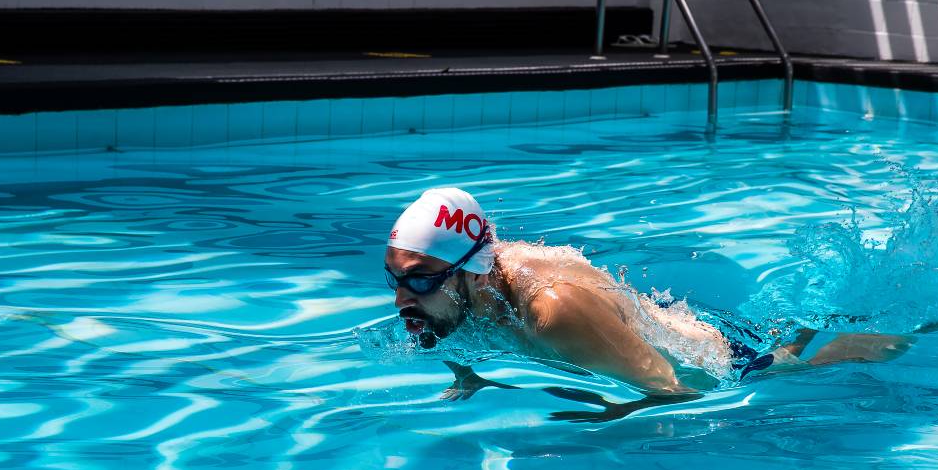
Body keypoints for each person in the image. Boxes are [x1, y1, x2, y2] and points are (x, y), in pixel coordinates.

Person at [384, 187, 910, 411]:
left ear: (468, 272)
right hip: (683, 331)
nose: (404, 298)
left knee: (807, 364)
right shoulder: (470, 283)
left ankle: (908, 322)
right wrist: (470, 380)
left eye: (421, 280)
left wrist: (610, 424)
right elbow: (461, 330)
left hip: (725, 365)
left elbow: (674, 392)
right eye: (396, 280)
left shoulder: (554, 311)